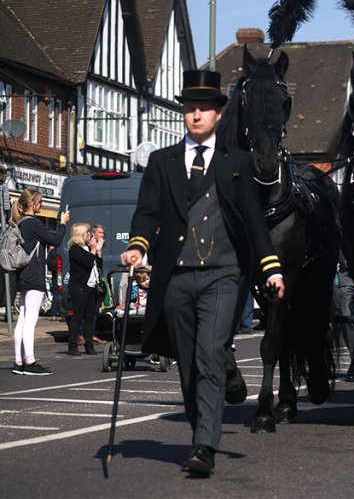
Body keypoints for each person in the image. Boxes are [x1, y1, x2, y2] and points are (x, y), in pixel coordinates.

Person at [119, 69, 285, 477]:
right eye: (190, 108)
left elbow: (252, 218)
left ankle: (205, 446)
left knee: (211, 354)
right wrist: (137, 246)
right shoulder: (162, 162)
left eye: (204, 109)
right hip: (176, 278)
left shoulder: (238, 162)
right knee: (190, 364)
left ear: (217, 115)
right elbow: (147, 213)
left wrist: (270, 266)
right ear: (184, 114)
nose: (196, 115)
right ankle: (201, 428)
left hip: (223, 275)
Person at [11, 189, 70, 375]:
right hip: (34, 276)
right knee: (30, 320)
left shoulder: (20, 224)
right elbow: (55, 240)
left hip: (22, 276)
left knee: (22, 318)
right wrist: (62, 224)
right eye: (40, 201)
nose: (42, 205)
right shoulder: (33, 223)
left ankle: (19, 361)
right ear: (32, 204)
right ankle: (30, 362)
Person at [67, 222, 103, 356]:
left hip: (91, 286)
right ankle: (72, 345)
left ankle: (89, 344)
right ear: (81, 234)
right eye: (88, 233)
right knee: (78, 316)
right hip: (79, 287)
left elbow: (97, 265)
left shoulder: (87, 248)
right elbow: (87, 263)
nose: (90, 235)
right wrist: (94, 249)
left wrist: (98, 252)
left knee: (90, 317)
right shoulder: (75, 249)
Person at [46, 245, 61, 319]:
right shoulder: (63, 251)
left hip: (55, 274)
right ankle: (62, 313)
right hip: (63, 274)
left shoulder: (52, 252)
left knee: (56, 295)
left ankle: (54, 314)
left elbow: (48, 262)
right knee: (62, 294)